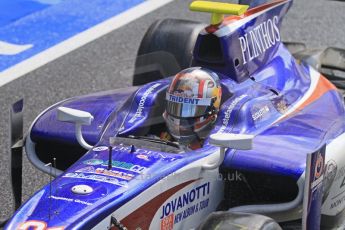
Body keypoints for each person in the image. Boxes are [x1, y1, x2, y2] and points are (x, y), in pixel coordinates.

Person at [161, 67, 222, 150]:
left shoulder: (218, 142)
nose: (180, 120)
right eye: (175, 107)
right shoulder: (164, 137)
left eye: (190, 110)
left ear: (212, 108)